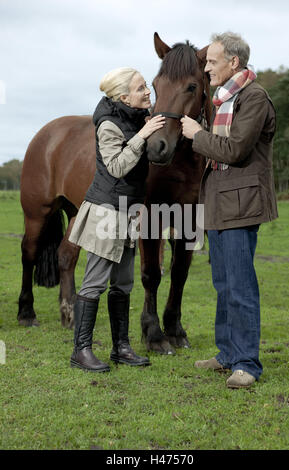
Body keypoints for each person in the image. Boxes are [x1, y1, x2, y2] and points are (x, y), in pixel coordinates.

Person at [181, 32, 278, 388]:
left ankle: (247, 365)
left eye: (211, 61)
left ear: (233, 62)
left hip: (241, 203)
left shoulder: (254, 97)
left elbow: (235, 149)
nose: (206, 68)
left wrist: (196, 134)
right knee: (223, 284)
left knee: (240, 287)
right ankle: (226, 355)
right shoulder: (223, 100)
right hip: (218, 203)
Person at [69, 67, 165, 373]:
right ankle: (81, 350)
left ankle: (121, 347)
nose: (147, 92)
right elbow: (116, 167)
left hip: (129, 210)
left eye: (146, 87)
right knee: (94, 282)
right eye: (141, 89)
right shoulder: (109, 124)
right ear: (124, 97)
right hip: (107, 211)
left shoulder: (137, 118)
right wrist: (143, 135)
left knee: (123, 282)